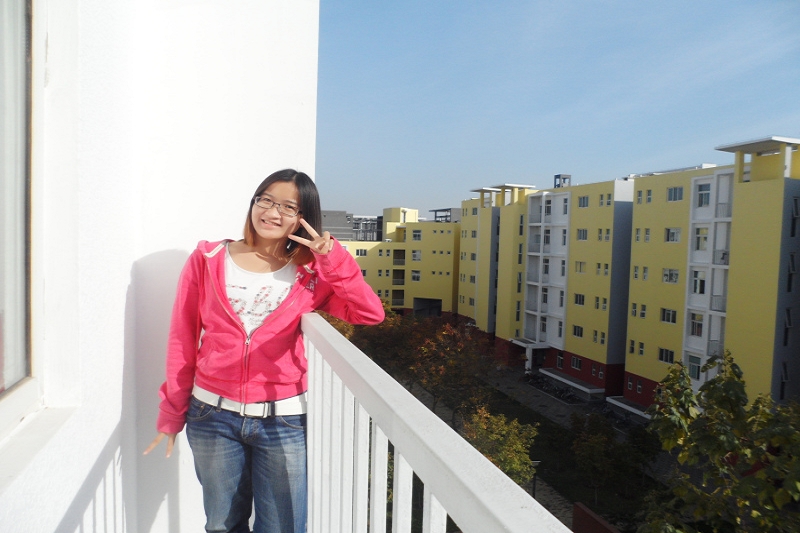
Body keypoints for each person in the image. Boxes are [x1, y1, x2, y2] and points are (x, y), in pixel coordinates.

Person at [144, 169, 384, 533]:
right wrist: (172, 413)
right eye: (266, 200)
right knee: (222, 525)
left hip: (283, 419)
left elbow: (368, 313)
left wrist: (331, 257)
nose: (272, 212)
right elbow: (182, 338)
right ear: (254, 202)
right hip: (212, 415)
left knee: (282, 527)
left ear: (303, 218)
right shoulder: (209, 258)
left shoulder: (310, 275)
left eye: (288, 207)